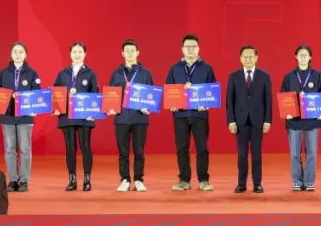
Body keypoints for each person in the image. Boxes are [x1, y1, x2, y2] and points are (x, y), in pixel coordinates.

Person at [164, 34, 216, 191]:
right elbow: (169, 89)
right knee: (182, 148)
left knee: (202, 148)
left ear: (198, 49)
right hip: (180, 114)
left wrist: (206, 104)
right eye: (187, 47)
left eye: (193, 47)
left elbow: (212, 91)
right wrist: (172, 104)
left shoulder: (207, 68)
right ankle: (184, 180)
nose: (190, 50)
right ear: (182, 49)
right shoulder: (175, 69)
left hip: (199, 114)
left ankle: (204, 180)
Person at [0, 42, 42, 192]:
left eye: (21, 52)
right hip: (7, 116)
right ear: (11, 54)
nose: (18, 55)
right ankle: (13, 180)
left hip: (25, 116)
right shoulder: (3, 73)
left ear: (26, 55)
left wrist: (35, 109)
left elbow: (37, 93)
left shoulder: (32, 73)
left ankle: (24, 181)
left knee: (25, 149)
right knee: (10, 149)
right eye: (15, 52)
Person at [280, 44, 321, 191]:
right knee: (295, 153)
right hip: (294, 120)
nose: (302, 57)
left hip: (312, 120)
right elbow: (284, 97)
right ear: (296, 57)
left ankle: (309, 181)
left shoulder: (318, 76)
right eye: (300, 54)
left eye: (305, 54)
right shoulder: (289, 77)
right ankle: (297, 180)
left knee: (311, 152)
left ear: (310, 57)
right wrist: (286, 112)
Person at [226, 45, 273, 193]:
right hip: (240, 121)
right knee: (242, 154)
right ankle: (241, 184)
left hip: (258, 120)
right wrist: (231, 121)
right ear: (240, 59)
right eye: (245, 57)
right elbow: (229, 100)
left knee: (257, 154)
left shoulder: (264, 76)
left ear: (256, 58)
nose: (248, 59)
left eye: (250, 57)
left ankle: (257, 184)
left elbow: (268, 100)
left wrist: (267, 121)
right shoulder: (234, 76)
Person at [108, 39, 153, 192]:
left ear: (137, 53)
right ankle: (125, 180)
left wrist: (148, 107)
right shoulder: (116, 73)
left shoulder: (145, 73)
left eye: (132, 50)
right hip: (121, 118)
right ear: (122, 53)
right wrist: (110, 108)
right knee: (123, 152)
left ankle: (139, 180)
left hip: (140, 117)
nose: (130, 53)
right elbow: (110, 95)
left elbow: (152, 95)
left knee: (139, 151)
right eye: (127, 51)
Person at [54, 42, 99, 191]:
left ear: (85, 54)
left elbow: (95, 94)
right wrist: (56, 108)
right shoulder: (63, 73)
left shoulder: (90, 73)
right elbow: (55, 93)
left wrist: (92, 113)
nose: (77, 54)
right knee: (70, 148)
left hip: (84, 116)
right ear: (70, 54)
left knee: (86, 147)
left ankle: (87, 180)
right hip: (67, 116)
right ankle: (72, 180)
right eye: (74, 52)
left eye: (80, 52)